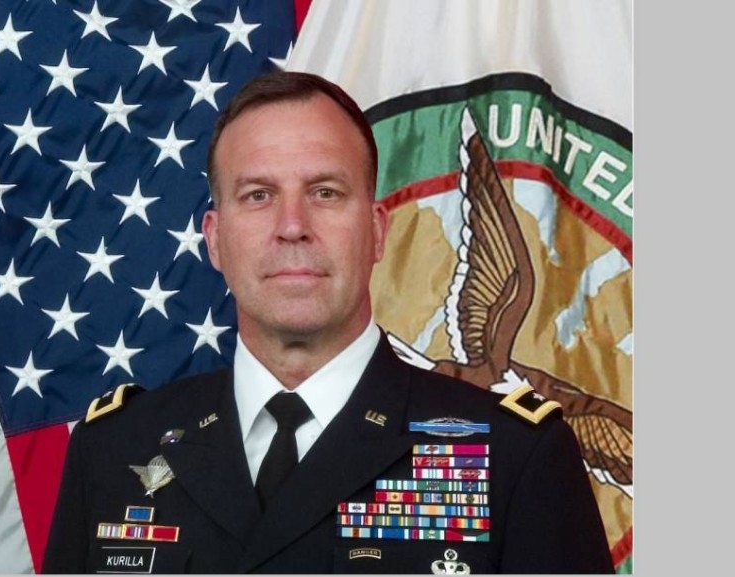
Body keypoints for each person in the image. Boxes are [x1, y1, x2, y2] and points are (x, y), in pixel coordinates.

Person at [42, 71, 615, 574]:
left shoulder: (513, 456)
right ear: (215, 240)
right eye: (258, 195)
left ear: (377, 231)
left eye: (325, 192)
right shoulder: (113, 449)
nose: (292, 225)